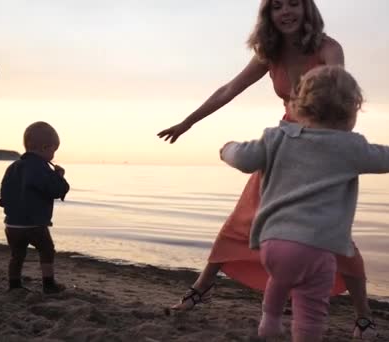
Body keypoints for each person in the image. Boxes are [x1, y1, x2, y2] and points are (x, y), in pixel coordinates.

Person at [158, 0, 376, 338]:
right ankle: (202, 288)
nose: (286, 12)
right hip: (285, 143)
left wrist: (334, 149)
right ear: (268, 15)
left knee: (332, 232)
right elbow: (229, 89)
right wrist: (187, 123)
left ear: (307, 10)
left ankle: (363, 315)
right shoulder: (269, 53)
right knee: (244, 220)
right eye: (276, 7)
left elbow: (343, 96)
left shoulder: (328, 49)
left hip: (323, 145)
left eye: (293, 4)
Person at [220, 65, 389, 341]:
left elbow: (241, 158)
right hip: (315, 248)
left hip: (271, 244)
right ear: (352, 111)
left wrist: (226, 148)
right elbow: (386, 157)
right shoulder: (352, 147)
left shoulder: (277, 138)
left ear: (298, 106)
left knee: (281, 277)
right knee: (310, 307)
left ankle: (270, 321)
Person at [0, 121, 69, 294]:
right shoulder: (41, 168)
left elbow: (4, 192)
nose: (53, 155)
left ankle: (14, 285)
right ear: (44, 147)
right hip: (34, 224)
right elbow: (55, 190)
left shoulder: (13, 167)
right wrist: (59, 176)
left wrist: (10, 210)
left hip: (12, 224)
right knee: (46, 250)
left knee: (17, 255)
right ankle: (49, 284)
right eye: (53, 150)